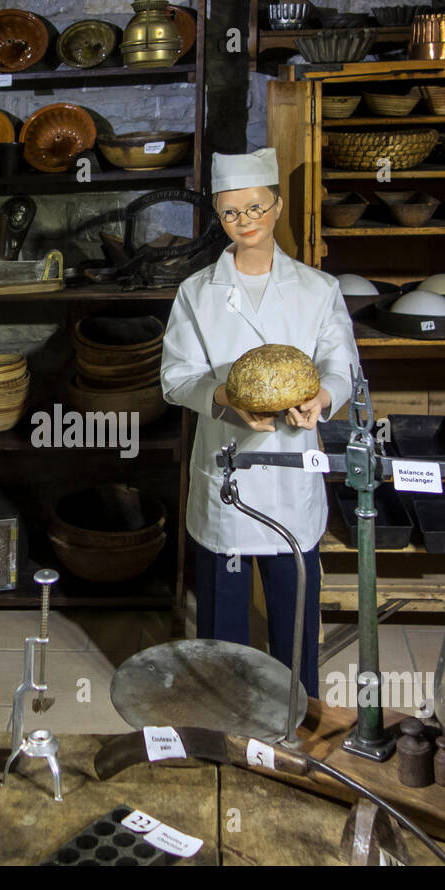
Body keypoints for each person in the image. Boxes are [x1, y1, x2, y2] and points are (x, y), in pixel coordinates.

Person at [160, 147, 359, 697]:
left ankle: (300, 716)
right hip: (226, 474)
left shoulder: (319, 289)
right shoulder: (196, 293)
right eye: (230, 213)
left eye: (254, 208)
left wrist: (321, 397)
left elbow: (343, 368)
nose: (244, 221)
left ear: (275, 207)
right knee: (223, 624)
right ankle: (225, 716)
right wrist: (225, 397)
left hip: (293, 475)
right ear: (218, 219)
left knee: (295, 619)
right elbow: (176, 379)